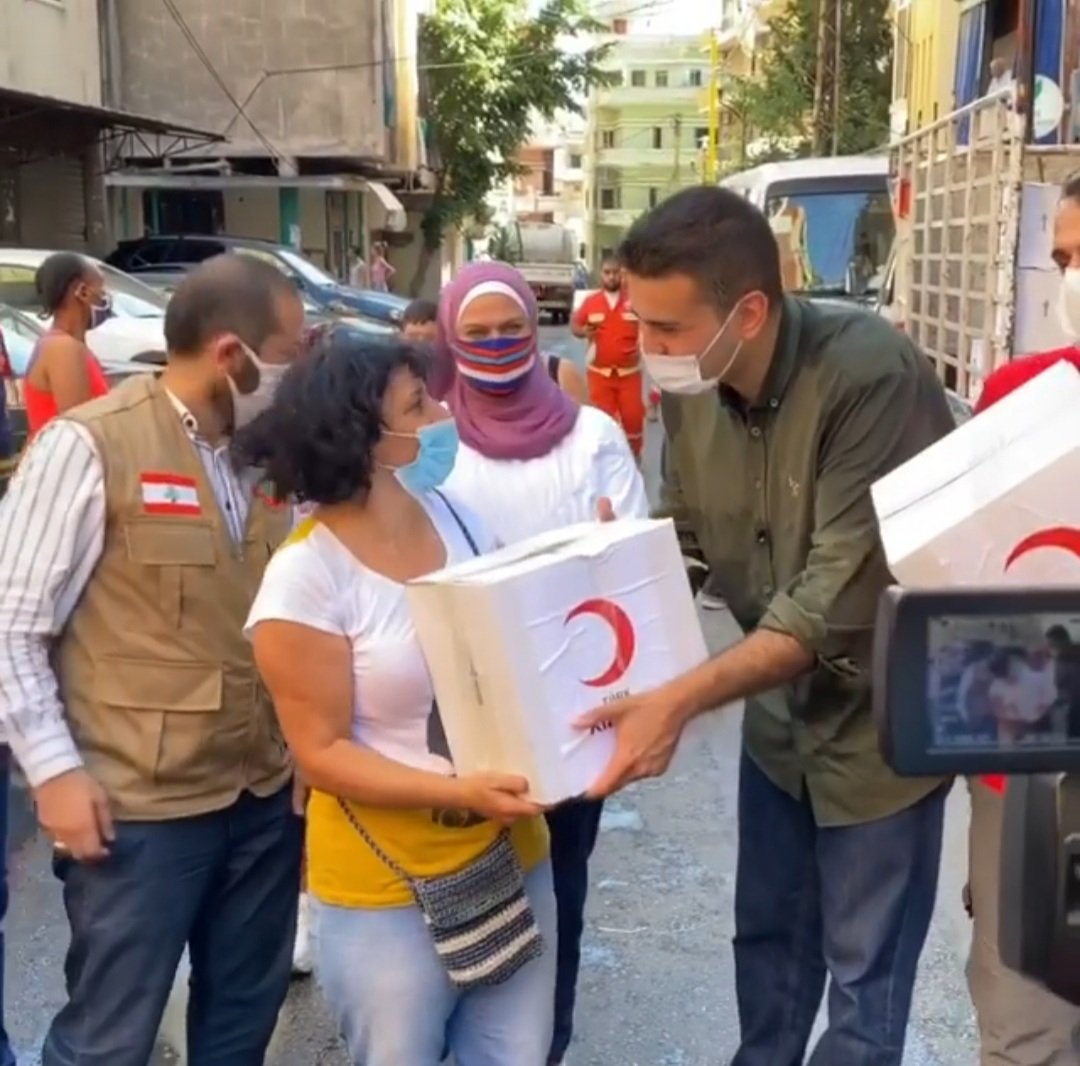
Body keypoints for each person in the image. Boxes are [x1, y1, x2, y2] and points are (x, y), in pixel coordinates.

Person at [578, 186, 956, 1065]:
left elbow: (828, 603)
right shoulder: (693, 387)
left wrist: (677, 700)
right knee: (769, 956)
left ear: (748, 313)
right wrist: (612, 578)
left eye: (667, 329)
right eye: (641, 323)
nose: (647, 348)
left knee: (863, 1000)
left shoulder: (868, 375)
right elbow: (686, 535)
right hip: (780, 734)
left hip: (878, 738)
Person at [0, 253, 307, 1066]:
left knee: (240, 1028)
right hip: (139, 811)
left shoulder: (267, 460)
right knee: (109, 1040)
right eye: (290, 354)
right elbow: (11, 627)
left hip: (263, 798)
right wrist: (54, 774)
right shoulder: (91, 446)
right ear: (233, 356)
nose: (298, 375)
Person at [238, 329, 556, 1066]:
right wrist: (460, 790)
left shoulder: (460, 518)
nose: (444, 414)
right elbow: (320, 753)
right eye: (419, 406)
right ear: (362, 439)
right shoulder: (306, 580)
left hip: (512, 855)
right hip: (386, 890)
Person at [436, 261, 648, 1066]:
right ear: (451, 340)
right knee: (457, 894)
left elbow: (631, 558)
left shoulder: (591, 437)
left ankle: (544, 1048)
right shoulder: (433, 445)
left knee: (557, 893)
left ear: (536, 329)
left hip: (572, 711)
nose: (496, 346)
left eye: (511, 330)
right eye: (477, 335)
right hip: (458, 714)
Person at [965, 174, 1080, 1065]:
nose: (1072, 278)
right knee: (1029, 1029)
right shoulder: (1018, 398)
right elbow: (961, 578)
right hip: (1032, 769)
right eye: (1065, 257)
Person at [24, 253, 111, 438]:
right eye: (101, 290)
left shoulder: (67, 345)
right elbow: (81, 432)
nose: (105, 299)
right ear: (83, 292)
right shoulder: (63, 349)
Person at [571, 256, 645, 459]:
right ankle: (605, 461)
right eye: (607, 273)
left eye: (615, 272)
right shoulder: (591, 302)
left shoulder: (635, 301)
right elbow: (575, 326)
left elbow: (649, 326)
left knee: (633, 420)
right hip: (599, 376)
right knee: (602, 421)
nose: (612, 277)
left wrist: (643, 345)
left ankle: (633, 459)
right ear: (601, 275)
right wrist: (583, 332)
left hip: (629, 375)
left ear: (622, 274)